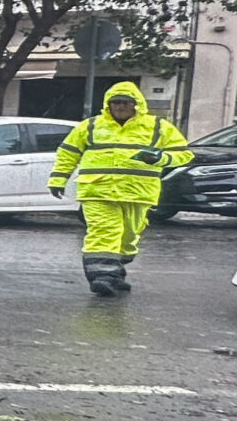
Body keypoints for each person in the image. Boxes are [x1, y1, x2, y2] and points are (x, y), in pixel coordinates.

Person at [48, 82, 193, 296]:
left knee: (128, 236)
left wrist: (161, 158)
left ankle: (115, 272)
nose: (120, 106)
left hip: (138, 192)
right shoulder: (90, 126)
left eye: (125, 102)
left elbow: (184, 153)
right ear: (108, 105)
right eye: (115, 102)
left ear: (137, 105)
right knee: (103, 232)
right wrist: (58, 179)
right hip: (98, 190)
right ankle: (102, 277)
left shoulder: (158, 127)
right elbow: (68, 153)